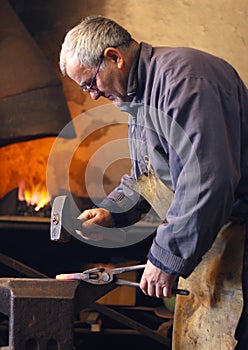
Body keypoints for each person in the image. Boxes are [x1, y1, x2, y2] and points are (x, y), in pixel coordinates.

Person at [59, 15, 248, 348]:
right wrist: (113, 212)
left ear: (114, 57)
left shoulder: (185, 81)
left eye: (90, 83)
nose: (92, 96)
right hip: (221, 232)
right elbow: (148, 175)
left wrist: (165, 257)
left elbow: (206, 181)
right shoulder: (140, 95)